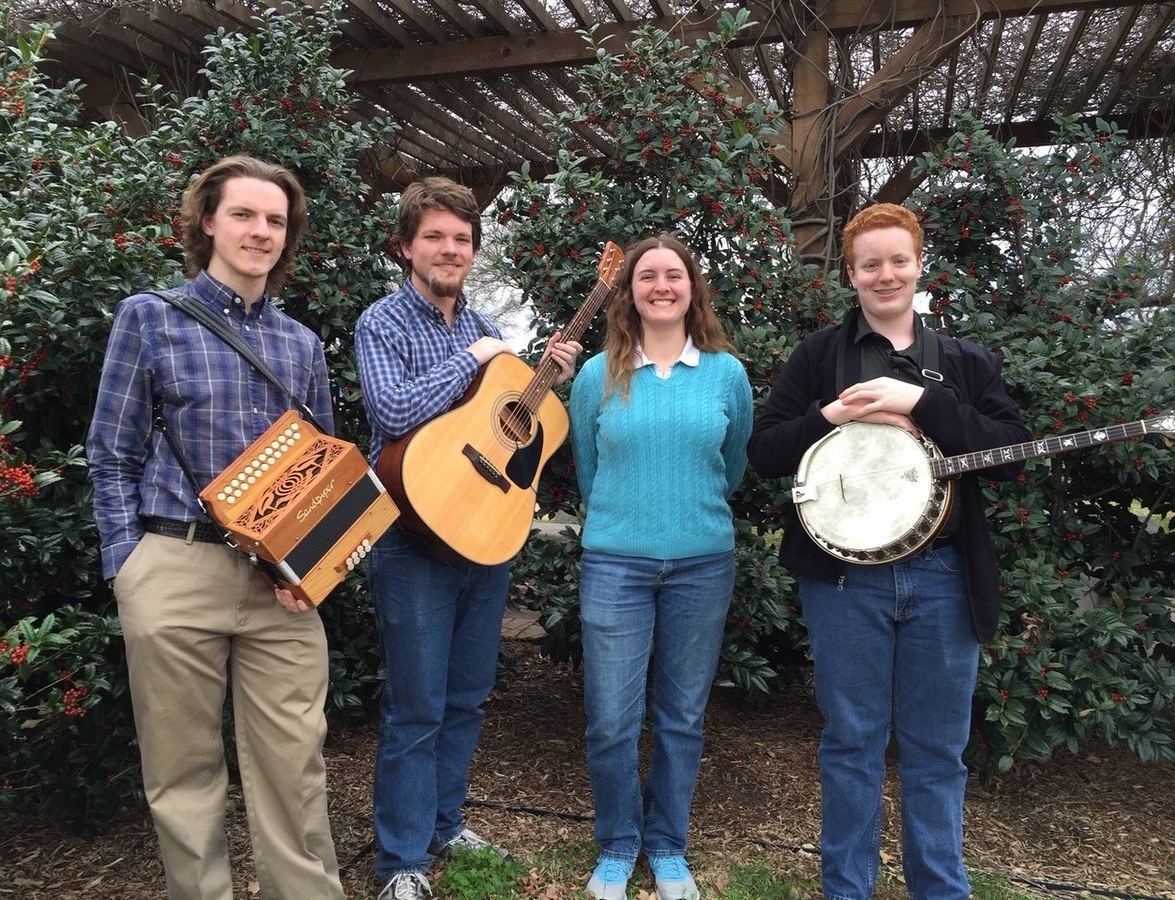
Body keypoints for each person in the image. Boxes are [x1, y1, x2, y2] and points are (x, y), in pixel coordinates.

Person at [746, 203, 1030, 899]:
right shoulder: (820, 356)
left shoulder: (962, 360)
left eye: (898, 260)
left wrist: (921, 402)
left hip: (942, 577)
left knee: (937, 751)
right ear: (850, 273)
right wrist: (829, 416)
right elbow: (765, 452)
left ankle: (941, 890)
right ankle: (848, 890)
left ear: (918, 265)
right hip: (845, 584)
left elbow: (1011, 456)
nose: (886, 274)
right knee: (852, 745)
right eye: (870, 263)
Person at [86, 156, 345, 899]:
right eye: (243, 214)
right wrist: (126, 567)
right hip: (173, 566)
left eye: (274, 220)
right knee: (181, 773)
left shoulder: (300, 344)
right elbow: (110, 449)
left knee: (296, 766)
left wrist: (312, 568)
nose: (260, 231)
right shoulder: (150, 317)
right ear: (208, 222)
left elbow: (321, 469)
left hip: (280, 589)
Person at [354, 176, 581, 900]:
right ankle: (400, 864)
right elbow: (392, 413)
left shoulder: (483, 323)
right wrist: (474, 359)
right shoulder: (382, 322)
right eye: (435, 237)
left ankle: (446, 823)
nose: (450, 249)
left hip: (483, 534)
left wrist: (545, 377)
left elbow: (510, 433)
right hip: (411, 540)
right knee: (416, 704)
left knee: (468, 696)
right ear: (406, 247)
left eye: (462, 239)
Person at [568, 235, 753, 900]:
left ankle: (668, 845)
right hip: (617, 564)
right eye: (648, 276)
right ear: (630, 291)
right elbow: (589, 470)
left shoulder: (727, 375)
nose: (662, 286)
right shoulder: (597, 376)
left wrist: (684, 515)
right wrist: (631, 519)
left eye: (674, 275)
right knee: (612, 718)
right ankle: (620, 843)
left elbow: (730, 465)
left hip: (702, 564)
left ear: (692, 288)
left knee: (680, 715)